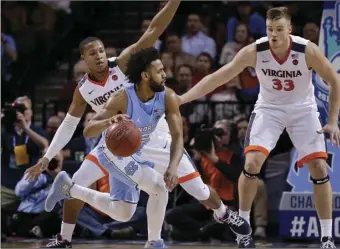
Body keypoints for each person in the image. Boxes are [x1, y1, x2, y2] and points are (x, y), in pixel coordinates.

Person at [44, 48, 251, 248]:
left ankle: (224, 213)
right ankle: (149, 242)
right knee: (139, 200)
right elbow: (88, 130)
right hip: (127, 152)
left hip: (161, 146)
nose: (165, 74)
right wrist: (109, 122)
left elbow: (179, 137)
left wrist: (171, 167)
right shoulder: (122, 98)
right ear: (144, 75)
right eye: (160, 71)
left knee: (198, 190)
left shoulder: (167, 95)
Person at [178, 7, 340, 248]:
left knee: (318, 167)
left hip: (303, 110)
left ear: (289, 29)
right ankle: (244, 229)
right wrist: (183, 99)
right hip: (269, 109)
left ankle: (327, 238)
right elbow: (217, 78)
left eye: (279, 29)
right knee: (252, 163)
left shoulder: (306, 49)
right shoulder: (255, 51)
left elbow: (335, 81)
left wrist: (333, 120)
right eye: (269, 29)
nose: (274, 34)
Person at [25, 1, 181, 247]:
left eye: (100, 51)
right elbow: (68, 125)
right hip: (115, 140)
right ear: (83, 59)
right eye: (92, 53)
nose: (98, 56)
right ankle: (64, 239)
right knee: (77, 180)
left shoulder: (123, 64)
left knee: (124, 209)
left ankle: (154, 239)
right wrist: (48, 157)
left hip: (141, 141)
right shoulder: (83, 89)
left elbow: (154, 30)